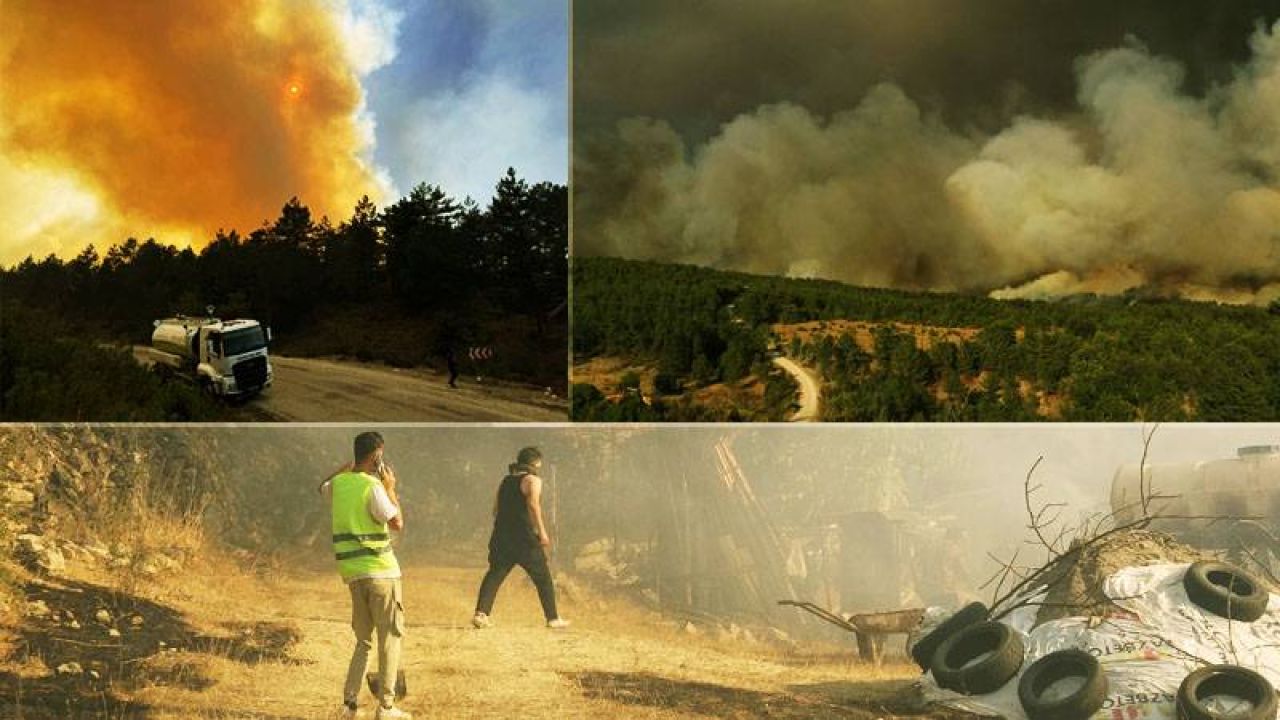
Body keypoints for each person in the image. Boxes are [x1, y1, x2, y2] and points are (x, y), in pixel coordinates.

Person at [321, 432, 411, 720]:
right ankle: (386, 707)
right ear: (377, 456)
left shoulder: (338, 484)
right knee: (389, 638)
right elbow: (396, 522)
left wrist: (350, 465)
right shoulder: (373, 486)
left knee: (364, 641)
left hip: (352, 574)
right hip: (381, 572)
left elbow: (322, 485)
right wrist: (391, 487)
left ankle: (348, 706)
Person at [472, 447, 569, 630]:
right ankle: (553, 618)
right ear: (535, 463)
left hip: (502, 535)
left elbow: (495, 510)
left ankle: (481, 614)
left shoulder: (505, 481)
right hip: (524, 538)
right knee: (543, 578)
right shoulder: (533, 480)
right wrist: (542, 532)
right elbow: (533, 506)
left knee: (495, 574)